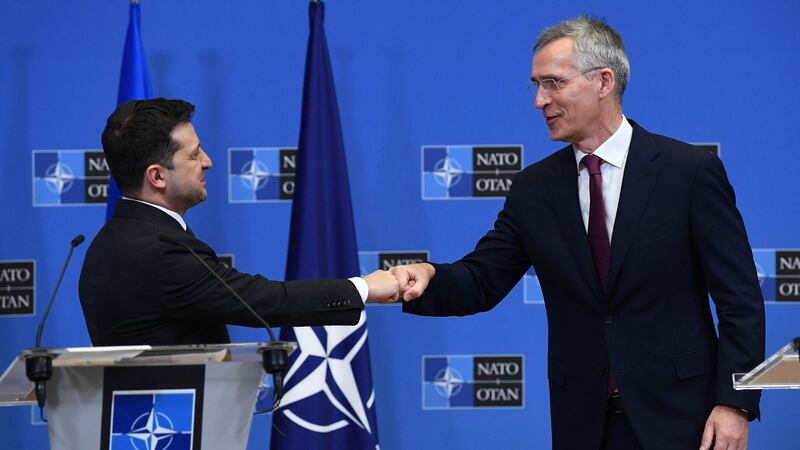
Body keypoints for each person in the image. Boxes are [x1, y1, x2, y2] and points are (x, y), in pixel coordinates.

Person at [391, 16, 765, 450]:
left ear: (603, 81)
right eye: (535, 85)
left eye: (553, 83)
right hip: (582, 426)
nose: (539, 100)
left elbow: (739, 299)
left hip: (684, 422)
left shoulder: (689, 173)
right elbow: (481, 280)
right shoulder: (534, 189)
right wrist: (426, 278)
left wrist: (735, 404)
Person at [79, 98, 399, 346]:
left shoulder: (108, 243)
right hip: (171, 426)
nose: (208, 162)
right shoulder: (160, 253)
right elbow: (267, 301)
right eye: (193, 155)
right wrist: (364, 288)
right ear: (157, 176)